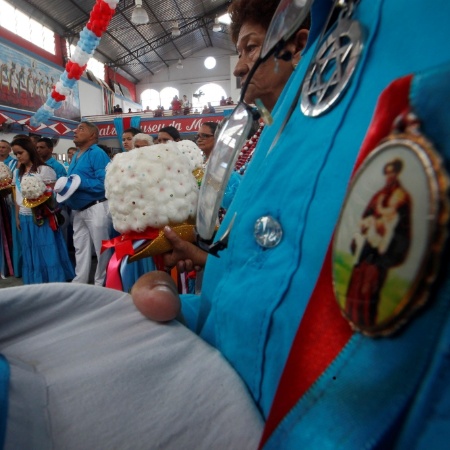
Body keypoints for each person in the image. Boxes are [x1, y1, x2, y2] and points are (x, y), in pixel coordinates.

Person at [2, 1, 450, 449]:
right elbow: (261, 304)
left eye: (252, 47)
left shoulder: (418, 39)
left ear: (296, 45)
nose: (239, 68)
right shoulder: (271, 139)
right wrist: (190, 307)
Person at [345, 159, 411, 327]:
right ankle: (351, 315)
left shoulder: (402, 197)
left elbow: (402, 228)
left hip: (380, 253)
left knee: (370, 288)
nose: (389, 176)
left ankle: (364, 320)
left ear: (397, 174)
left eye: (392, 173)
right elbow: (365, 216)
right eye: (387, 173)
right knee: (356, 283)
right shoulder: (379, 195)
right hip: (366, 249)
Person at [11, 137, 74, 284]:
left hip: (43, 215)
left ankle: (53, 278)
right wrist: (17, 217)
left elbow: (52, 195)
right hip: (25, 216)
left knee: (47, 246)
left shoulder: (44, 170)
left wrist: (41, 205)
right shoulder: (17, 173)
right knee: (30, 247)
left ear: (30, 151)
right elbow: (17, 197)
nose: (18, 156)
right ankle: (36, 279)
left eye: (20, 152)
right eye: (15, 154)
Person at [63, 121, 113, 286]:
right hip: (78, 209)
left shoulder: (96, 153)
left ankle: (101, 284)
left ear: (92, 135)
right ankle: (80, 282)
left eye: (81, 129)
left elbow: (104, 183)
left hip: (96, 206)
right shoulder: (77, 155)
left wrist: (77, 184)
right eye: (76, 128)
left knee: (102, 249)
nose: (75, 131)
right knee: (80, 248)